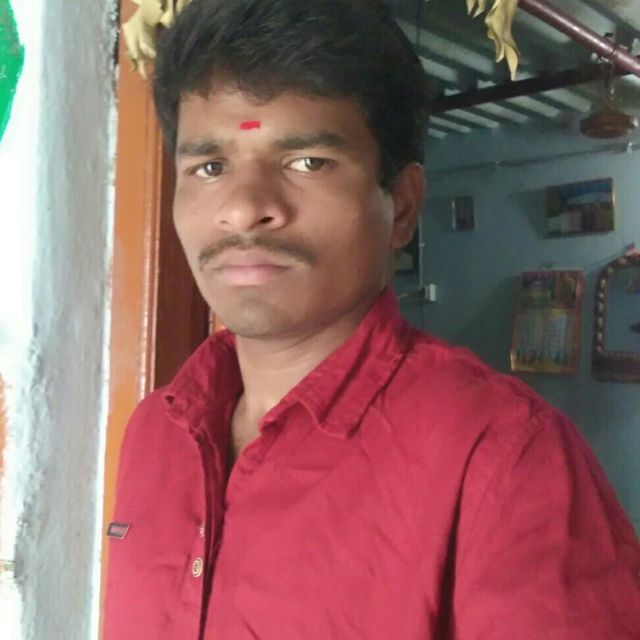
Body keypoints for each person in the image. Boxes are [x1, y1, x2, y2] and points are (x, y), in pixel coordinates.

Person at [103, 0, 640, 638]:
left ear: (402, 207)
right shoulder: (156, 434)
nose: (244, 209)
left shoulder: (508, 460)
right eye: (210, 167)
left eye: (307, 162)